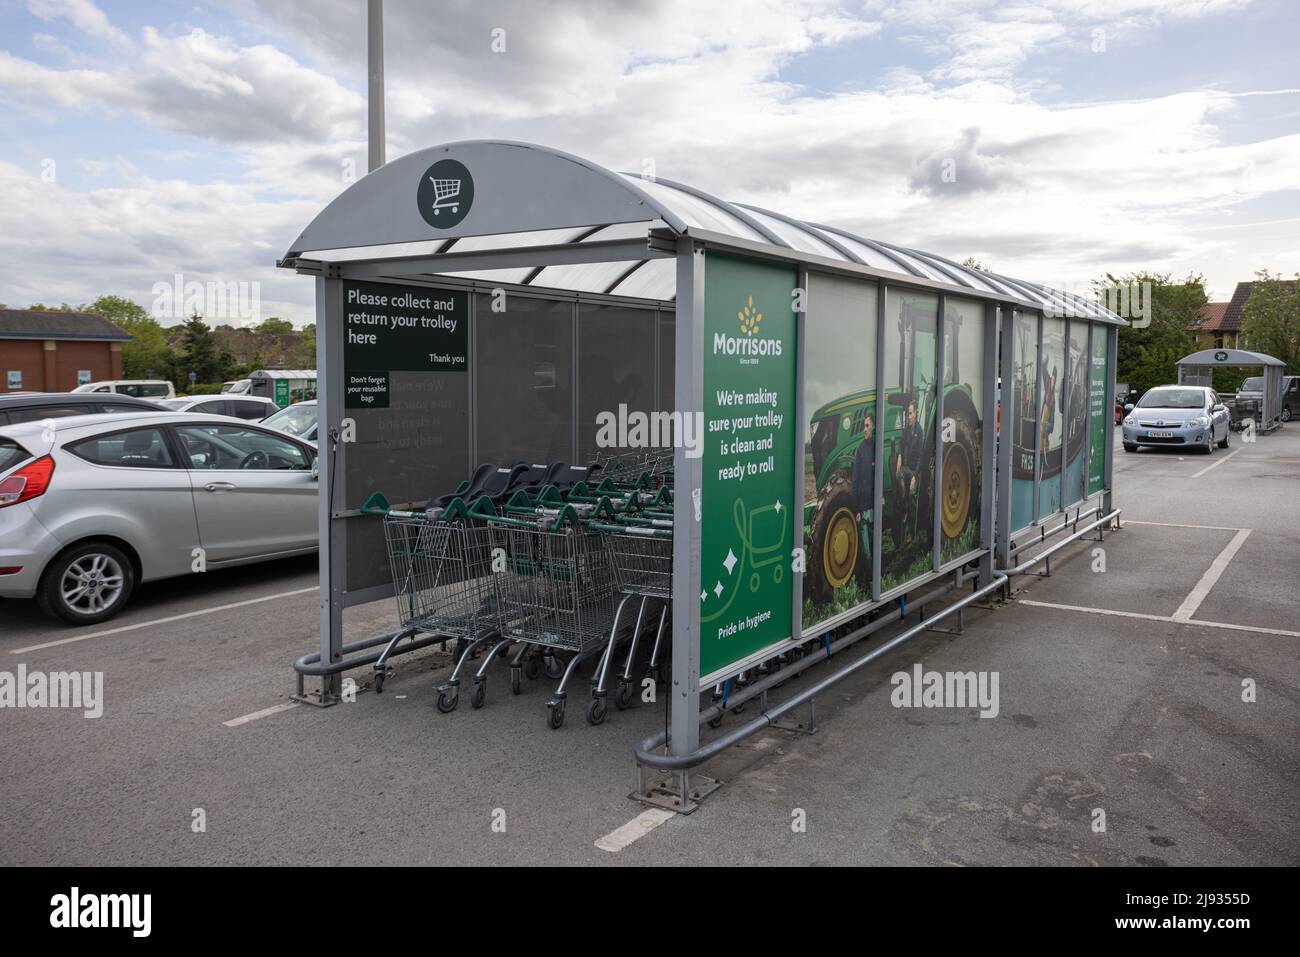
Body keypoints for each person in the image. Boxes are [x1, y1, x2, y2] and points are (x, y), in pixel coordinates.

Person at [894, 398, 924, 546]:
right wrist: (899, 455)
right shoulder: (906, 430)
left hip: (914, 470)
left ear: (916, 414)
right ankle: (904, 509)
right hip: (906, 469)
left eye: (911, 413)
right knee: (898, 475)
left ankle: (911, 531)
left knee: (912, 494)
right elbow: (901, 444)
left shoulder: (920, 431)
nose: (908, 416)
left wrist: (915, 475)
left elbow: (920, 457)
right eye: (907, 414)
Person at [851, 412, 875, 582]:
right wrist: (856, 509)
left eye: (867, 426)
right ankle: (869, 585)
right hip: (863, 510)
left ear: (873, 426)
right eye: (863, 426)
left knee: (874, 548)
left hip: (874, 508)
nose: (864, 430)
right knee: (867, 553)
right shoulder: (860, 450)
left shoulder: (876, 447)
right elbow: (855, 481)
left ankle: (873, 585)